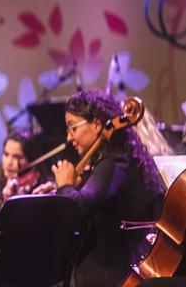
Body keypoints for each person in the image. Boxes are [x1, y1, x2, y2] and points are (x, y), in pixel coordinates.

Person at [50, 90, 165, 287]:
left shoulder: (116, 161)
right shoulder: (118, 160)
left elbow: (81, 207)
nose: (69, 137)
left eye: (73, 128)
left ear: (97, 124)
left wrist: (66, 186)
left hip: (114, 277)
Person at [0, 129, 36, 206]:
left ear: (30, 159)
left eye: (17, 157)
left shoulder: (35, 190)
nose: (9, 162)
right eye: (6, 154)